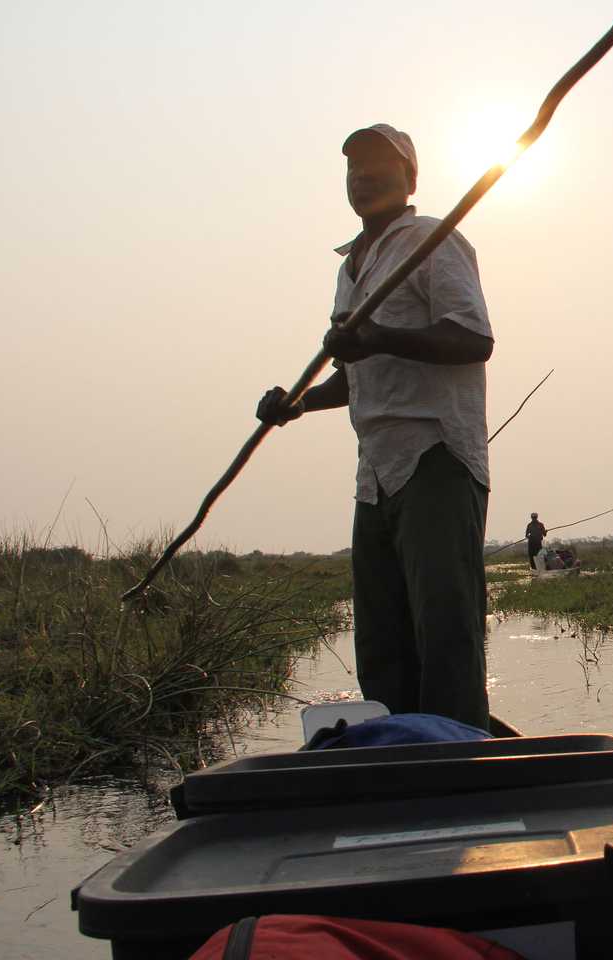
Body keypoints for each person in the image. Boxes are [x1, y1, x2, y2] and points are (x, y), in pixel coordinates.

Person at [256, 123, 494, 729]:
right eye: (354, 168)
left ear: (410, 178)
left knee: (444, 626)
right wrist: (300, 402)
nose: (364, 177)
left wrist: (378, 335)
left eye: (379, 166)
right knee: (383, 635)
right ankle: (398, 751)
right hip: (376, 475)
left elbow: (473, 339)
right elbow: (357, 373)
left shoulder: (432, 241)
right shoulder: (353, 267)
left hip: (435, 455)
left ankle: (456, 755)